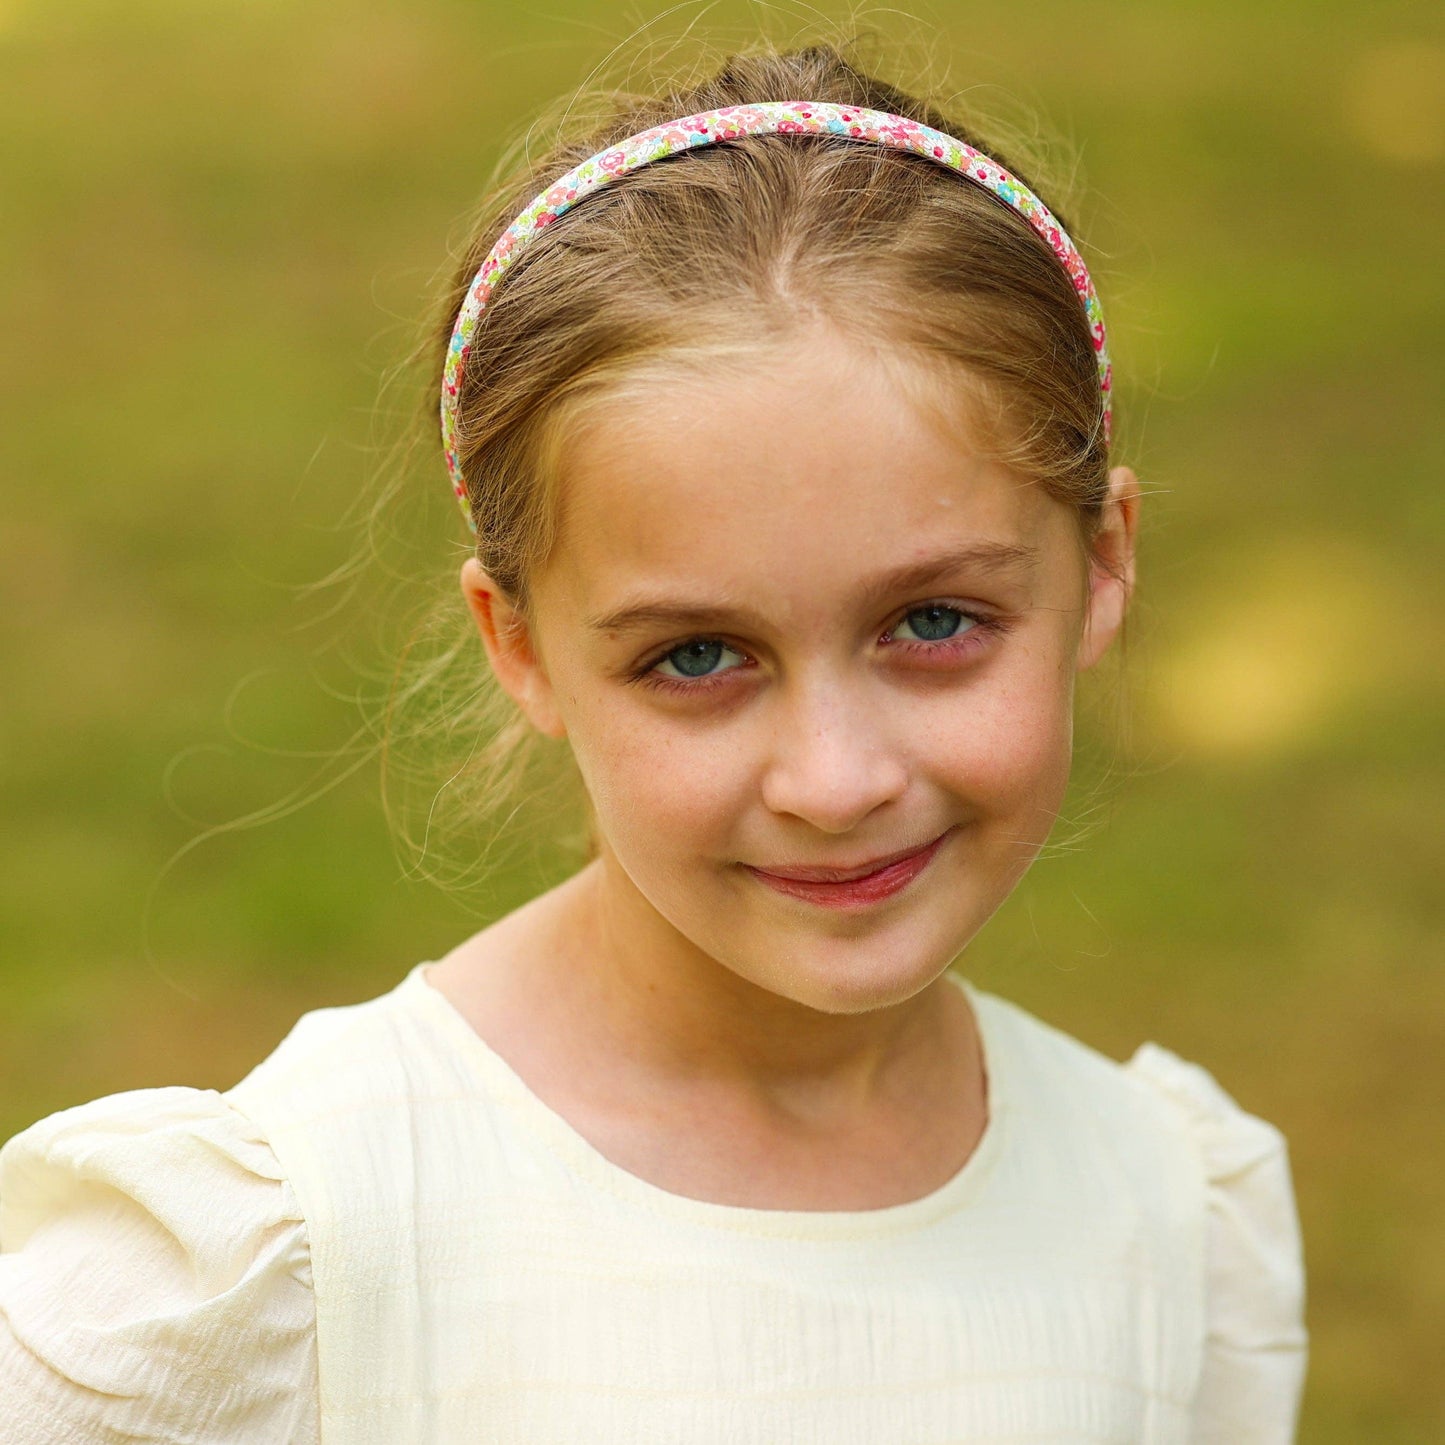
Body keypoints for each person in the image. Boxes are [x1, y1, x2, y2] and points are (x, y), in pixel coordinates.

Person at [0, 39, 1308, 1445]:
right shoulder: (290, 1249)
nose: (834, 776)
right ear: (521, 646)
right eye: (696, 656)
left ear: (1102, 561)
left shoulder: (1166, 1212)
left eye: (931, 622)